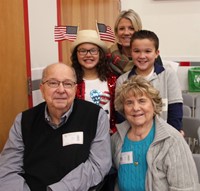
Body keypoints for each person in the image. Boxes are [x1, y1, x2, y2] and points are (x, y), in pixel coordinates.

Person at [0, 63, 112, 191]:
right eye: (53, 83)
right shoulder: (24, 120)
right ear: (42, 89)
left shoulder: (95, 116)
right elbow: (8, 169)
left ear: (75, 89)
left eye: (67, 84)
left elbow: (98, 165)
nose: (61, 90)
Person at [111, 75, 199, 191]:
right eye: (129, 103)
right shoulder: (117, 139)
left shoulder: (172, 140)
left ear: (154, 104)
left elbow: (186, 188)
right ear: (123, 108)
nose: (136, 108)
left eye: (142, 101)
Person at [116, 30, 183, 133]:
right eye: (137, 51)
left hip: (165, 136)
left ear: (156, 53)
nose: (142, 56)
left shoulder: (168, 75)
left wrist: (173, 135)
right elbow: (121, 116)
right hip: (134, 136)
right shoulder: (122, 80)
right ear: (131, 53)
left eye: (147, 51)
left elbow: (175, 112)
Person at [71, 29, 117, 134]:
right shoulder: (70, 83)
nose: (88, 55)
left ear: (100, 54)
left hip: (109, 138)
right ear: (76, 55)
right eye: (83, 51)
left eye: (93, 50)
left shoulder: (113, 80)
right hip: (81, 138)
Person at [107, 9, 162, 76]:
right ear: (116, 32)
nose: (126, 33)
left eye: (131, 28)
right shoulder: (108, 56)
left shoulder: (152, 56)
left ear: (138, 30)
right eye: (122, 28)